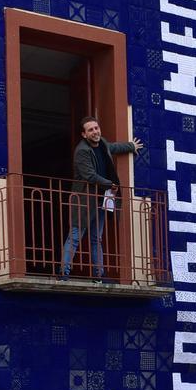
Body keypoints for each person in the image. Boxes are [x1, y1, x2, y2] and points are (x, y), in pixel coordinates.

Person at [61, 116, 143, 280]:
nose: (95, 132)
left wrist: (130, 146)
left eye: (96, 128)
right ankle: (64, 272)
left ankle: (99, 275)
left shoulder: (102, 143)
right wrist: (110, 184)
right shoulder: (82, 151)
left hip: (101, 199)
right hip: (84, 200)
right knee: (75, 236)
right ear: (84, 134)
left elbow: (112, 147)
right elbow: (90, 175)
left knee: (96, 238)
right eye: (90, 130)